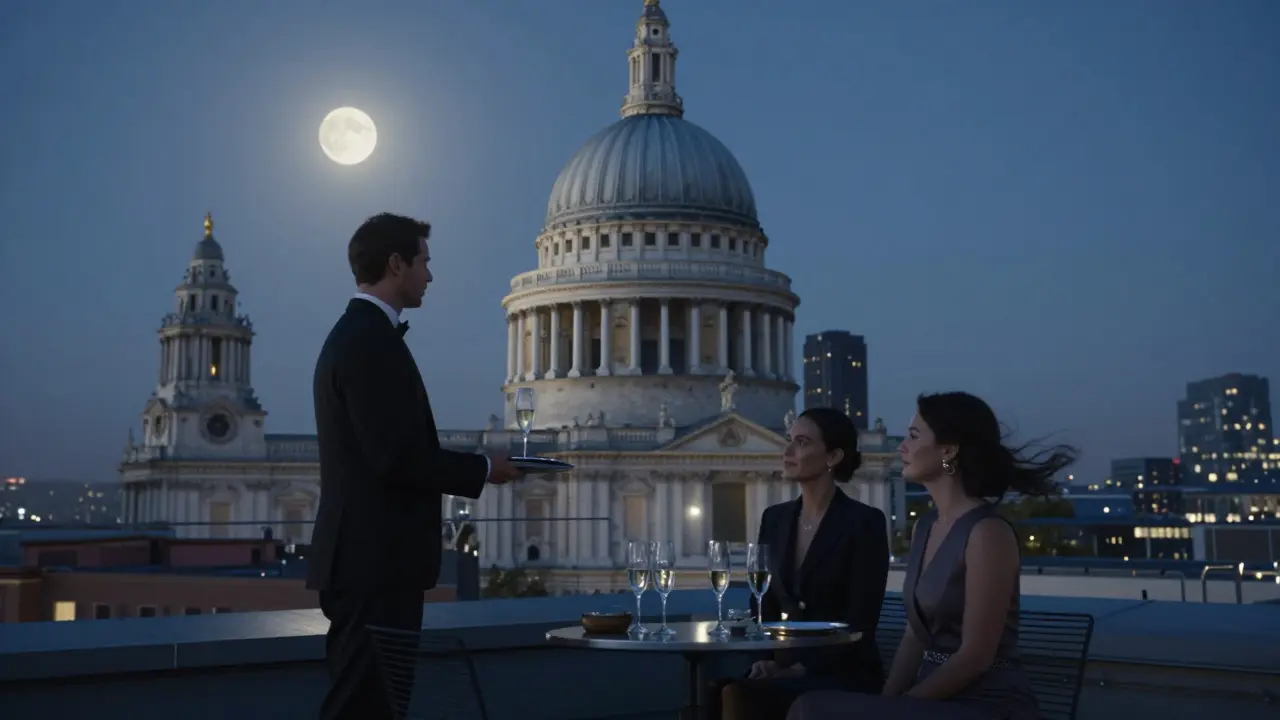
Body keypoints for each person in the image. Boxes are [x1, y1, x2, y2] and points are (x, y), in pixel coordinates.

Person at [306, 213, 523, 720]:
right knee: (364, 708)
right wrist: (483, 469)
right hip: (375, 565)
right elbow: (393, 458)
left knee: (373, 705)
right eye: (424, 261)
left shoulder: (361, 337)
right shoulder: (368, 343)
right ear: (396, 264)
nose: (431, 274)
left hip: (371, 562)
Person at [786, 392, 1078, 720]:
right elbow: (915, 634)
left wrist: (900, 707)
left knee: (809, 709)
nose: (901, 447)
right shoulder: (924, 527)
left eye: (913, 436)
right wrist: (887, 702)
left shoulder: (987, 532)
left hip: (985, 703)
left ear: (949, 450)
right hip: (930, 701)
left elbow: (976, 657)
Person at [713, 407, 890, 720]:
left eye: (802, 442)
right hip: (786, 666)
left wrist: (799, 667)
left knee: (737, 694)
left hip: (841, 670)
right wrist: (768, 659)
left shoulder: (864, 522)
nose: (788, 451)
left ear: (833, 457)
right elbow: (762, 603)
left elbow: (861, 618)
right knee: (718, 689)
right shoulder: (775, 518)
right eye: (789, 440)